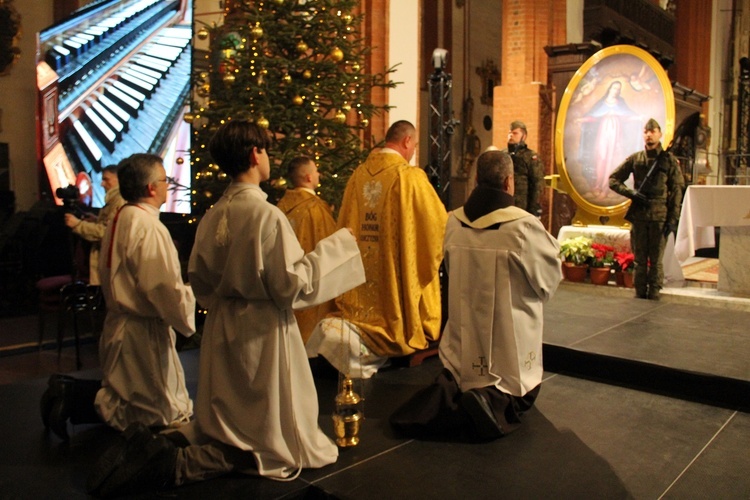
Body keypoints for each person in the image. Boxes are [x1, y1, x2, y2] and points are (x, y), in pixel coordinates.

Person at [87, 120, 365, 497]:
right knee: (268, 432)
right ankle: (186, 463)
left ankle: (175, 447)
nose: (269, 158)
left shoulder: (215, 212)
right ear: (254, 155)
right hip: (263, 329)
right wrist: (339, 250)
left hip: (223, 324)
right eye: (266, 151)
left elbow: (199, 278)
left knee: (229, 411)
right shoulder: (266, 215)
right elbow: (291, 285)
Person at [390, 149, 562, 441]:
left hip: (464, 333)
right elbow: (548, 280)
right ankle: (492, 402)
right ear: (509, 182)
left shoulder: (454, 221)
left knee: (459, 376)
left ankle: (457, 393)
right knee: (518, 390)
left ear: (477, 181)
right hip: (508, 337)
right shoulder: (522, 227)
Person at [41, 154, 196, 440]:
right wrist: (190, 299)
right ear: (151, 188)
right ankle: (69, 397)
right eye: (164, 180)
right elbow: (161, 287)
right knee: (151, 413)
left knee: (128, 401)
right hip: (140, 329)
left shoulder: (121, 217)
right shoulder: (148, 227)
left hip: (121, 322)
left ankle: (68, 396)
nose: (167, 186)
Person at [306, 120, 448, 377]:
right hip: (392, 285)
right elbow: (437, 225)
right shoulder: (409, 177)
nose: (413, 152)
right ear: (406, 141)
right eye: (414, 145)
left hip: (357, 280)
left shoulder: (357, 175)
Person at [608, 118, 684, 300]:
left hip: (660, 216)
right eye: (646, 131)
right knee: (640, 259)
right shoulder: (636, 159)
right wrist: (631, 193)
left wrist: (673, 219)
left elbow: (677, 191)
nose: (649, 135)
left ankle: (655, 290)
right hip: (640, 214)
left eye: (653, 131)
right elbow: (613, 180)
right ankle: (640, 290)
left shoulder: (669, 161)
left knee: (656, 260)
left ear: (659, 134)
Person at [276, 156, 337, 343]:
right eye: (316, 170)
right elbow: (331, 247)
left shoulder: (279, 207)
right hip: (311, 281)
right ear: (309, 177)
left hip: (283, 285)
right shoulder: (316, 209)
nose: (319, 174)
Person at [577, 81, 642, 199]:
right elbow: (593, 116)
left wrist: (637, 118)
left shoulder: (620, 103)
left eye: (618, 89)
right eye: (614, 88)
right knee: (601, 157)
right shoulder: (602, 103)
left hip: (616, 133)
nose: (615, 91)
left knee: (612, 158)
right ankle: (598, 185)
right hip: (603, 133)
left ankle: (607, 188)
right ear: (610, 89)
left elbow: (627, 115)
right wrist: (584, 119)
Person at [63, 165, 126, 285]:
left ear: (119, 179)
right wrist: (96, 220)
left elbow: (106, 233)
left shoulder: (119, 201)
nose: (102, 184)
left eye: (106, 179)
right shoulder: (115, 200)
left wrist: (77, 225)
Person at [502, 120, 544, 216]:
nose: (511, 135)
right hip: (503, 204)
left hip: (522, 207)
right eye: (509, 133)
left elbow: (537, 184)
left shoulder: (531, 157)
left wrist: (533, 210)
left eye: (515, 133)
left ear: (523, 136)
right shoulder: (502, 155)